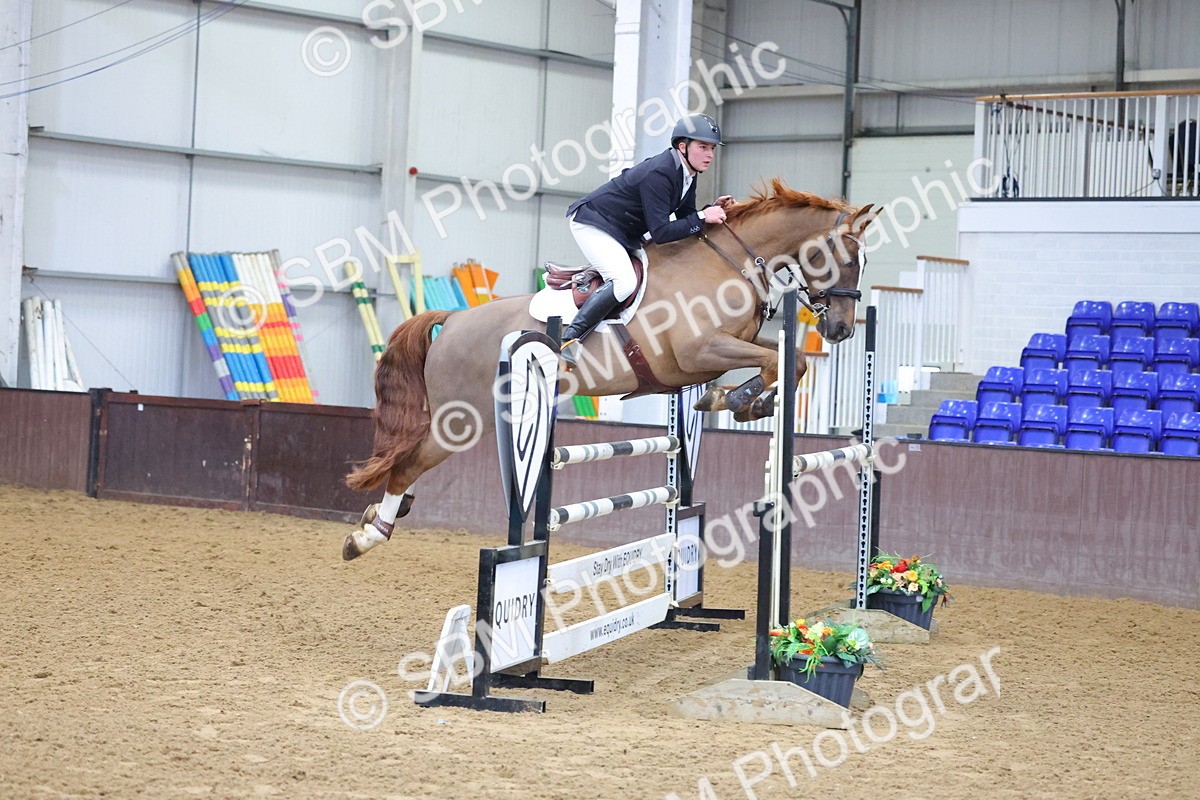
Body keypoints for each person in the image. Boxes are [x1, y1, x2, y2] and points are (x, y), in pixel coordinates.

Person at [560, 113, 735, 365]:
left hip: (622, 231)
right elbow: (661, 232)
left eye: (712, 148)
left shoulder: (688, 172)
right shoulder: (660, 172)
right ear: (683, 146)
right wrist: (701, 216)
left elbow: (686, 217)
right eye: (703, 147)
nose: (709, 154)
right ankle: (570, 338)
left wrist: (709, 211)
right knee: (624, 282)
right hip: (593, 223)